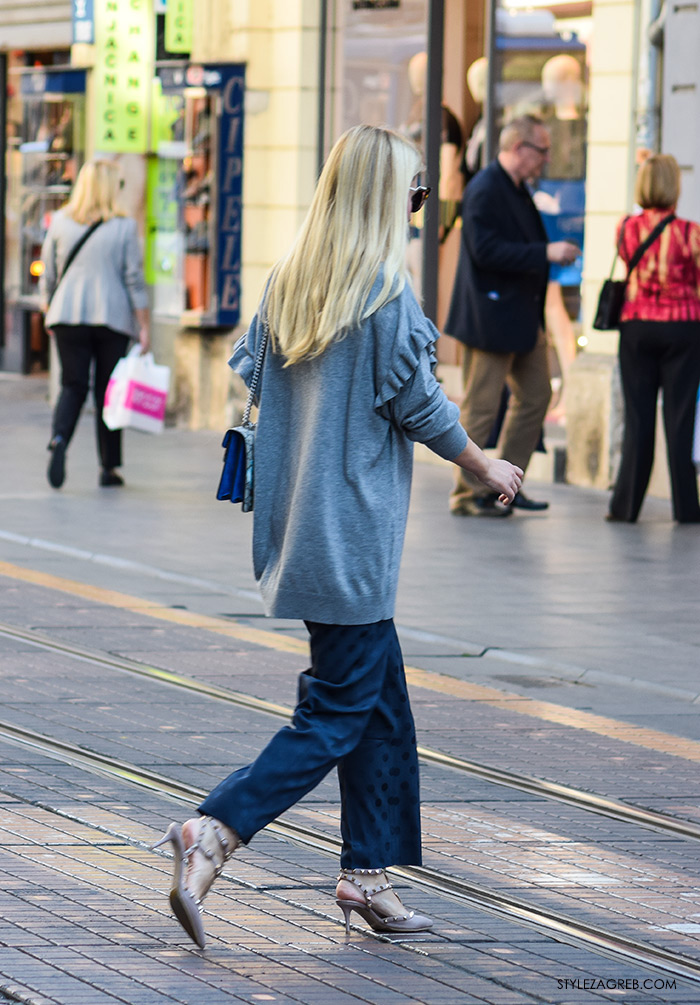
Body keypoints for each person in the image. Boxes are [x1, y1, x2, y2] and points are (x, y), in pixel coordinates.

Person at [153, 125, 523, 949]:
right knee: (334, 713)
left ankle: (367, 874)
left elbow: (252, 375)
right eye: (413, 196)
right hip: (353, 538)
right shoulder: (385, 296)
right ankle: (212, 831)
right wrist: (483, 463)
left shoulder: (292, 283)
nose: (419, 211)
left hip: (300, 529)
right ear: (382, 200)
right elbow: (420, 407)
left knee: (379, 706)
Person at [445, 114, 578, 516]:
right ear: (519, 147)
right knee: (481, 408)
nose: (545, 159)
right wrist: (545, 253)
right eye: (541, 150)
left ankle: (507, 485)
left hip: (521, 319)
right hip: (491, 318)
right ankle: (469, 493)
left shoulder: (517, 187)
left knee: (537, 395)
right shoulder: (485, 187)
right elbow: (485, 251)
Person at [40, 159, 150, 489]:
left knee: (73, 385)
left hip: (67, 315)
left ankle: (60, 439)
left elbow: (48, 273)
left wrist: (50, 310)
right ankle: (109, 467)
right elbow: (134, 280)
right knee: (108, 393)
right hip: (111, 318)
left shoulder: (59, 222)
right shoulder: (124, 227)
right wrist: (143, 325)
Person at [608, 154, 700, 524]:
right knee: (680, 420)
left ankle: (625, 507)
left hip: (637, 328)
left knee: (638, 418)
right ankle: (687, 509)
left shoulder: (626, 228)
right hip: (684, 328)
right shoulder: (691, 233)